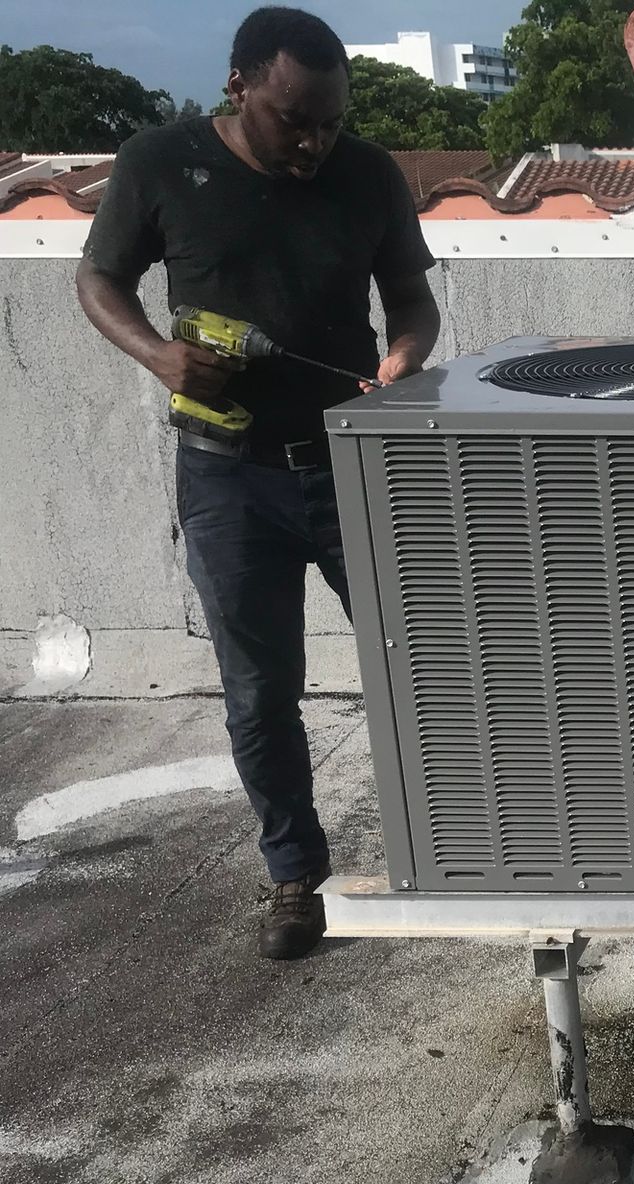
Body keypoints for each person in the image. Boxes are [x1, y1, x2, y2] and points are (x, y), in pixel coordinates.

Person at [76, 7, 441, 960]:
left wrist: (404, 358)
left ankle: (459, 847)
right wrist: (160, 357)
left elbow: (411, 298)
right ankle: (296, 878)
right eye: (294, 121)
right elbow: (98, 279)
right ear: (239, 86)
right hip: (228, 481)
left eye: (330, 120)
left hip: (353, 468)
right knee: (259, 688)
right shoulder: (160, 160)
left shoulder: (365, 173)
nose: (315, 142)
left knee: (427, 663)